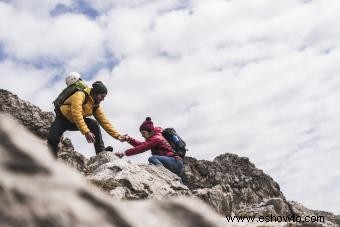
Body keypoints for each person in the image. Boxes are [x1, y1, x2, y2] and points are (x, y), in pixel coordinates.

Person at [47, 73, 124, 157]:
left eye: (104, 97)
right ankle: (51, 160)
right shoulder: (80, 95)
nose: (103, 99)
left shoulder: (95, 105)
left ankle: (100, 152)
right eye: (102, 96)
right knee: (52, 139)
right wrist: (86, 132)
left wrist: (118, 136)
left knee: (94, 124)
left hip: (74, 123)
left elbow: (105, 122)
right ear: (95, 93)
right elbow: (77, 113)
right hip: (62, 120)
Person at [115, 117, 183, 177]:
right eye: (141, 134)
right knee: (179, 183)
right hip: (175, 162)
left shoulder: (156, 138)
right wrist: (128, 138)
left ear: (150, 131)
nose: (142, 135)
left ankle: (163, 175)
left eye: (143, 133)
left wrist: (124, 153)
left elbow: (141, 148)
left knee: (152, 159)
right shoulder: (155, 137)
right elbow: (141, 145)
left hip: (174, 161)